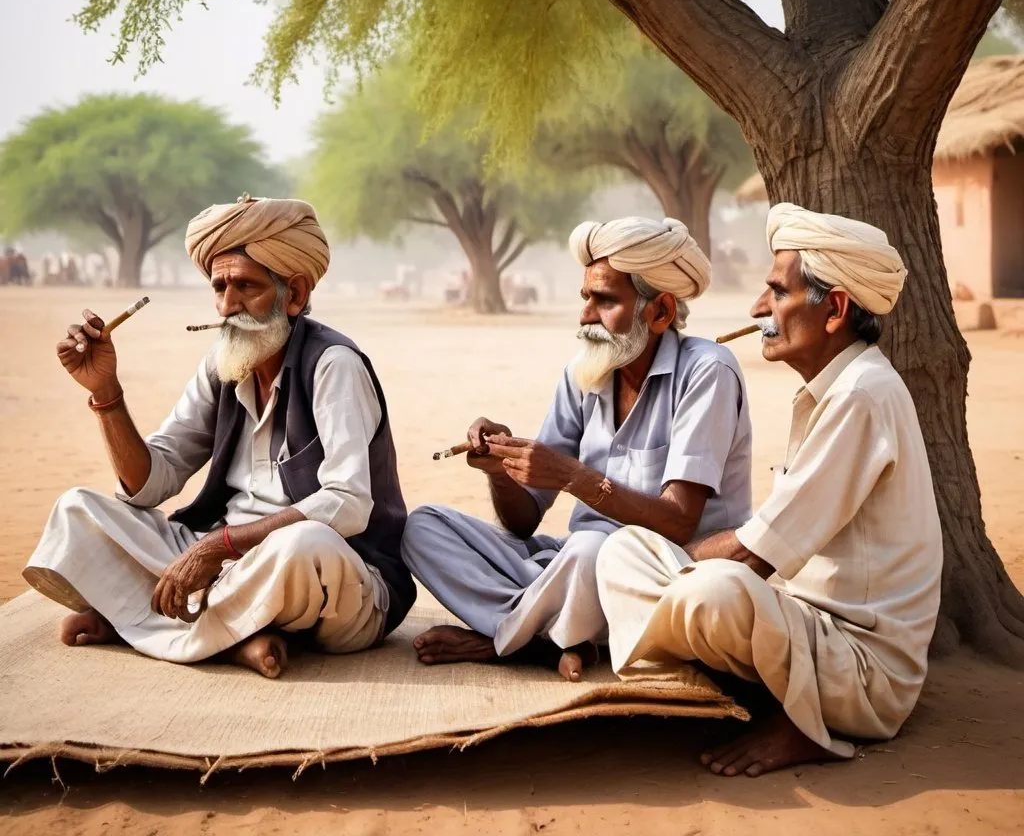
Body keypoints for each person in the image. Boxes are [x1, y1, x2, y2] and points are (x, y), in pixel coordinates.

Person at [597, 203, 942, 776]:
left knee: (714, 590)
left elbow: (754, 555)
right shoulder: (835, 389)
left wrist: (679, 571)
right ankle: (693, 657)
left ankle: (805, 725)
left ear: (833, 309)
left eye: (776, 293)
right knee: (621, 552)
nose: (759, 310)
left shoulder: (862, 394)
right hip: (804, 633)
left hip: (861, 672)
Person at [23, 195, 415, 678]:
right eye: (220, 287)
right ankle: (232, 635)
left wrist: (221, 546)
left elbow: (349, 504)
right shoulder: (222, 363)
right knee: (77, 509)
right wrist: (106, 392)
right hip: (227, 567)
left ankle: (148, 625)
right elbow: (150, 483)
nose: (228, 306)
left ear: (293, 294)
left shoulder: (334, 365)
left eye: (246, 287)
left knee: (302, 543)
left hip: (341, 583)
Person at [401, 217, 752, 682]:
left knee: (594, 549)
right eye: (586, 298)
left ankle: (508, 639)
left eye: (605, 300)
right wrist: (501, 470)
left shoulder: (707, 372)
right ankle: (554, 631)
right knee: (422, 527)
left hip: (660, 576)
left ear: (661, 311)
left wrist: (570, 475)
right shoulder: (584, 373)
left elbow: (679, 520)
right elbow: (524, 520)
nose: (586, 315)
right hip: (575, 568)